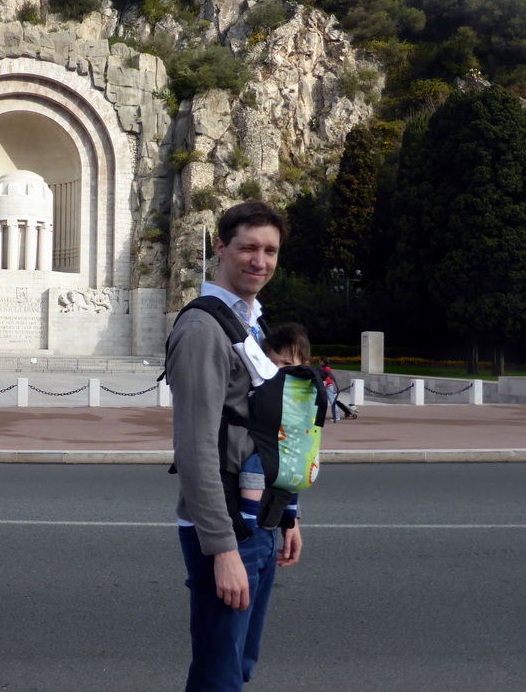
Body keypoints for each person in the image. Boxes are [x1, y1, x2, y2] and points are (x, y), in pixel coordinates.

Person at [166, 201, 301, 692]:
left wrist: (286, 512)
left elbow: (264, 430)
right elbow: (197, 448)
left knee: (236, 666)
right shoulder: (203, 329)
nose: (259, 261)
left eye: (270, 251)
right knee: (220, 677)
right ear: (220, 248)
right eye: (247, 247)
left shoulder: (253, 324)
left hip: (258, 520)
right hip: (224, 530)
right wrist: (222, 551)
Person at [317, 356, 340, 423]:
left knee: (332, 401)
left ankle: (336, 416)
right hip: (325, 386)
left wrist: (325, 383)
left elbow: (328, 377)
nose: (319, 362)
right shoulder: (323, 368)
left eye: (320, 361)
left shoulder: (326, 368)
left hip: (328, 386)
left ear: (323, 361)